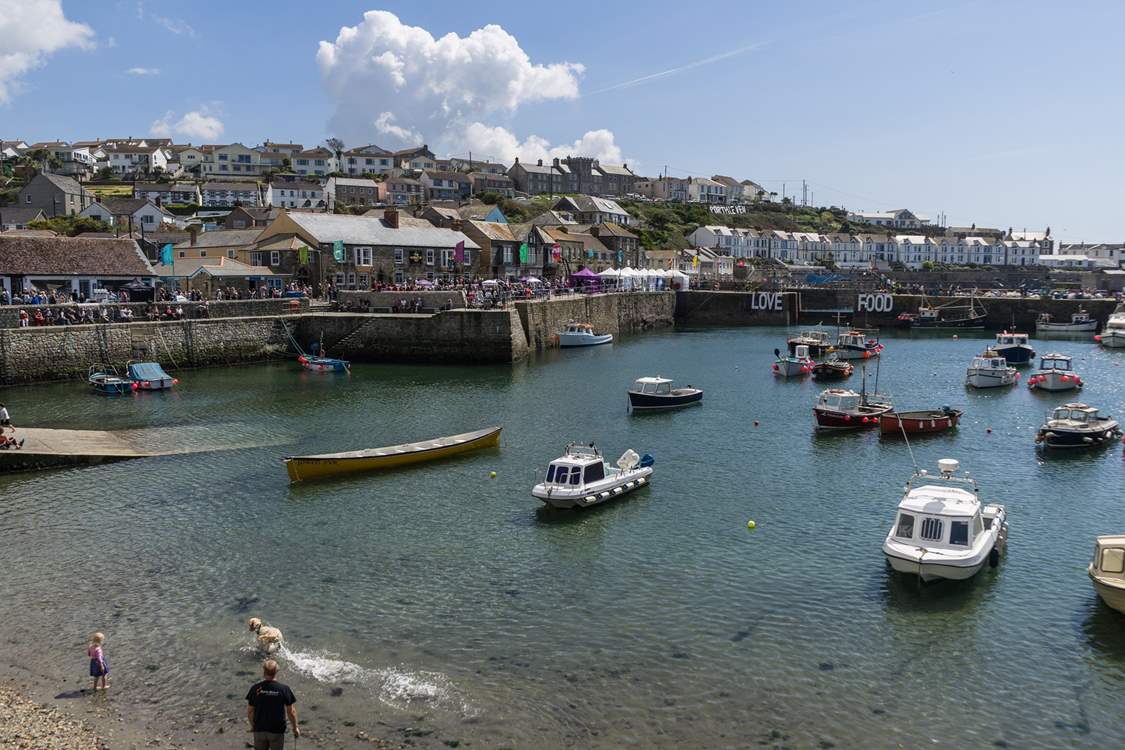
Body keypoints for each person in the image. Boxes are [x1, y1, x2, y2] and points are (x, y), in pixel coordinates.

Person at [246, 659, 299, 749]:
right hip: (276, 731)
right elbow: (291, 712)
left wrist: (253, 726)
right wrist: (295, 728)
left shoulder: (255, 688)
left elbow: (250, 712)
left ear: (264, 672)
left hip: (259, 730)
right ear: (276, 671)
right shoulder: (284, 689)